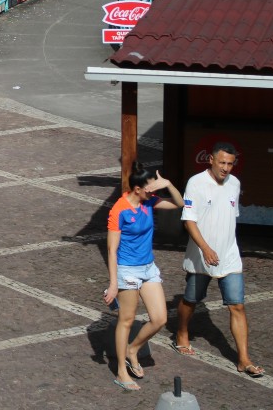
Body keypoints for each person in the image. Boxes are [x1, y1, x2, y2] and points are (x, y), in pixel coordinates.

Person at [173, 142, 265, 377]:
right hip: (200, 256)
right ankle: (182, 332)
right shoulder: (196, 183)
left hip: (230, 255)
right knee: (191, 299)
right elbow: (189, 220)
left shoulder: (235, 184)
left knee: (237, 305)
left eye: (230, 164)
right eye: (222, 162)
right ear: (211, 160)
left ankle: (243, 359)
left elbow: (230, 218)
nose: (226, 168)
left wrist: (222, 249)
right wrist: (204, 248)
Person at [103, 166, 183, 391]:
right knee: (126, 320)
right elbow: (111, 250)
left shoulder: (149, 201)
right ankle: (121, 371)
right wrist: (112, 284)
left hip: (148, 268)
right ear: (137, 189)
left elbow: (178, 203)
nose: (153, 192)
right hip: (127, 270)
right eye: (150, 189)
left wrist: (167, 184)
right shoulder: (119, 210)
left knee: (159, 319)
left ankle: (133, 349)